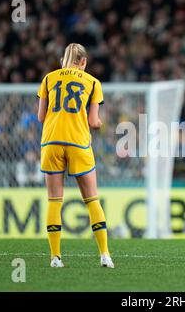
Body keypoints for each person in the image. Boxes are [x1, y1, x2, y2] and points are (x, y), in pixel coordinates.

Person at [37, 43, 114, 268]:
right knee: (91, 200)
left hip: (51, 141)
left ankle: (55, 257)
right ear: (83, 62)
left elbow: (41, 116)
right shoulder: (92, 82)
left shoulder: (49, 79)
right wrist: (100, 123)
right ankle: (105, 255)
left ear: (64, 59)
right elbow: (93, 122)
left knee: (54, 200)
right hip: (78, 143)